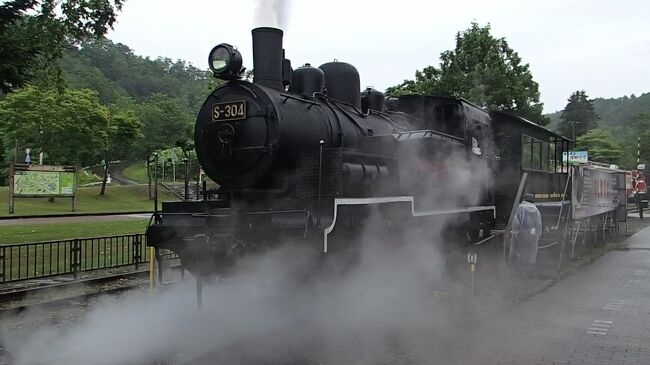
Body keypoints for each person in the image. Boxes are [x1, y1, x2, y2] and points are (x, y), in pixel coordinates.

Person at [510, 193, 543, 277]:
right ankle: (530, 272)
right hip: (533, 233)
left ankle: (520, 271)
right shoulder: (536, 209)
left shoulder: (521, 208)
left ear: (525, 199)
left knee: (521, 251)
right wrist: (538, 235)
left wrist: (515, 233)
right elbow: (538, 224)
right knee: (531, 252)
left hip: (522, 232)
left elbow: (516, 222)